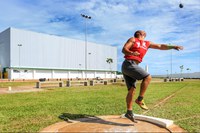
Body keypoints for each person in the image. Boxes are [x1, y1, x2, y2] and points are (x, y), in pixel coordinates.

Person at [122, 30, 183, 122]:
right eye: (142, 32)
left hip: (131, 66)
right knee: (148, 77)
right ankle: (140, 99)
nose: (144, 32)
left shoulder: (147, 43)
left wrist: (173, 46)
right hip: (129, 63)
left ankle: (129, 112)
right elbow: (124, 49)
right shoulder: (133, 39)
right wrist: (131, 53)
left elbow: (160, 46)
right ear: (140, 34)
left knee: (132, 89)